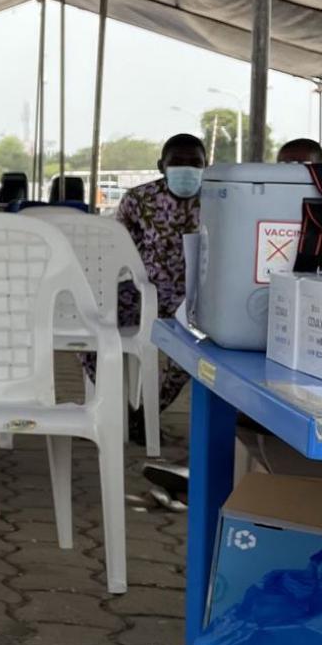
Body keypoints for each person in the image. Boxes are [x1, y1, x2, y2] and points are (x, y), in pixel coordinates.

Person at [109, 133, 208, 436]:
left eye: (195, 163)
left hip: (197, 302)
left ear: (207, 165)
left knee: (196, 351)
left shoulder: (219, 199)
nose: (187, 169)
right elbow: (117, 248)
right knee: (93, 326)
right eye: (177, 162)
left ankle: (146, 415)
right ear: (161, 166)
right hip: (143, 293)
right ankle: (114, 406)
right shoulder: (138, 199)